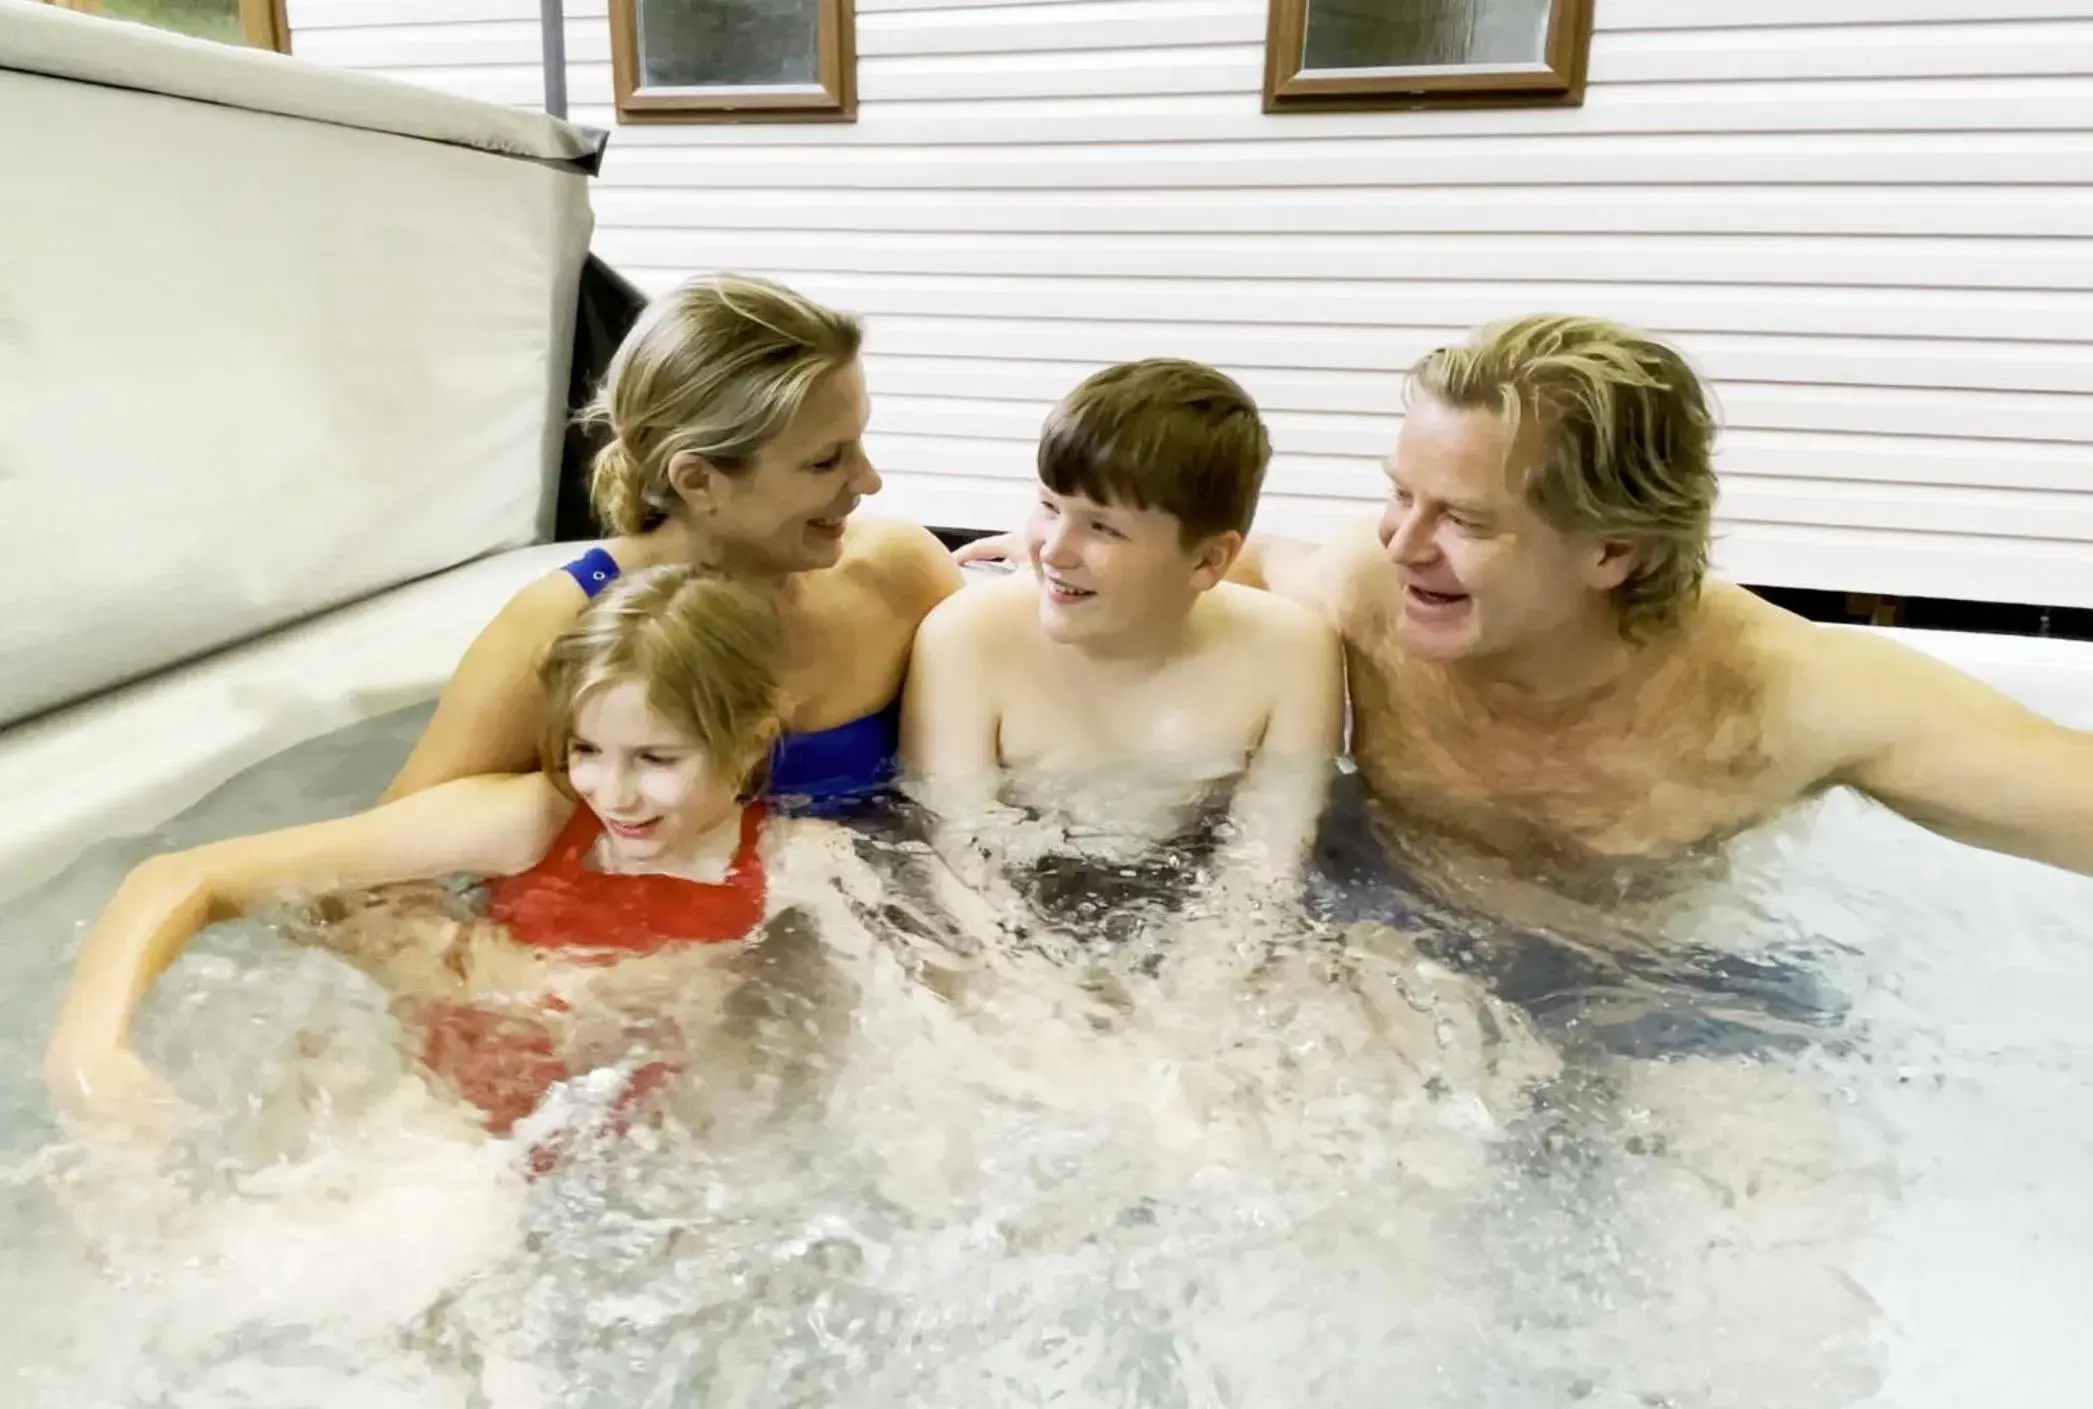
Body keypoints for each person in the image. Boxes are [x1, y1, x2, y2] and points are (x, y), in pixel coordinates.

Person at [959, 315, 2093, 891]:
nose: (1403, 542)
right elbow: (1229, 568)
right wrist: (1060, 548)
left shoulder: (1791, 690)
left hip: (1666, 1002)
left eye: (1465, 518)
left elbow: (2064, 792)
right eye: (1396, 494)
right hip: (1398, 947)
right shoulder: (1365, 582)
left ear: (1613, 549)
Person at [44, 566, 890, 1146]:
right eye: (587, 748)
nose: (614, 792)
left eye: (657, 759)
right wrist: (91, 1054)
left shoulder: (796, 863)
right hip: (432, 1114)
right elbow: (182, 876)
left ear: (746, 742)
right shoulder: (532, 819)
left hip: (625, 1149)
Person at [382, 273, 962, 816]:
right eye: (825, 461)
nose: (869, 481)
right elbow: (386, 872)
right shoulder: (570, 624)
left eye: (858, 442)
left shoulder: (900, 576)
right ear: (698, 480)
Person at [900, 357, 1345, 952]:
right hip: (1008, 921)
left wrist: (1191, 1002)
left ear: (1209, 560)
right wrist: (1041, 1004)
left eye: (1103, 528)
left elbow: (1262, 872)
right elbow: (958, 864)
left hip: (1189, 903)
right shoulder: (968, 638)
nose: (1054, 552)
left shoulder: (1289, 652)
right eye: (1049, 506)